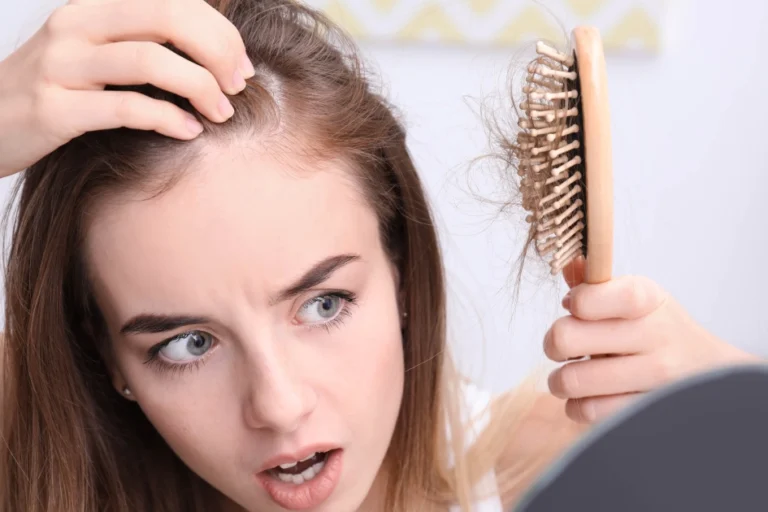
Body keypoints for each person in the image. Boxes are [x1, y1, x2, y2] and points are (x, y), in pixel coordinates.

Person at [0, 0, 758, 511]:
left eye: (323, 304)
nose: (280, 406)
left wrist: (735, 427)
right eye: (187, 344)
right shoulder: (37, 453)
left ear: (400, 267)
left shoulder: (556, 471)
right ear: (108, 362)